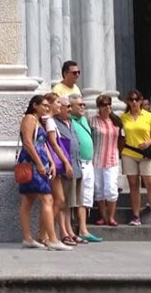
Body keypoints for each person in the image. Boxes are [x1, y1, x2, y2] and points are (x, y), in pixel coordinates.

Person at [17, 95, 72, 251]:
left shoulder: (37, 120)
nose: (47, 108)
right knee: (47, 199)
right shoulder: (29, 118)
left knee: (28, 200)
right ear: (35, 105)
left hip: (38, 161)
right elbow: (28, 142)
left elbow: (42, 144)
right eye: (44, 105)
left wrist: (51, 162)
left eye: (48, 106)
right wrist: (41, 164)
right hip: (32, 162)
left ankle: (28, 238)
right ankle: (52, 239)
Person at [120, 90, 151, 227]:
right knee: (133, 185)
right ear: (128, 102)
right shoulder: (123, 117)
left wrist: (148, 143)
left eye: (136, 99)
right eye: (131, 100)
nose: (134, 102)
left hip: (147, 153)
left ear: (141, 100)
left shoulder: (149, 116)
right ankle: (136, 216)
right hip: (129, 152)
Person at [37, 93, 74, 246]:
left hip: (48, 163)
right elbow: (53, 143)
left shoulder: (45, 121)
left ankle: (44, 233)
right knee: (58, 200)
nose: (60, 105)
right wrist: (65, 161)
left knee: (54, 200)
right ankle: (45, 233)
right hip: (53, 164)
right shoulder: (50, 122)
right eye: (57, 102)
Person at [69, 94, 102, 243]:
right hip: (77, 162)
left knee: (87, 197)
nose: (83, 107)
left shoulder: (83, 119)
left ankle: (83, 228)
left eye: (83, 104)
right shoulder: (68, 120)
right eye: (79, 105)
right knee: (77, 196)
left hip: (89, 163)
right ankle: (75, 228)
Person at [53, 97, 86, 244]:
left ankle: (70, 231)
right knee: (63, 202)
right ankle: (64, 232)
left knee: (72, 202)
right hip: (65, 167)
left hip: (76, 166)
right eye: (66, 106)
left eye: (68, 106)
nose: (69, 109)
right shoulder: (55, 123)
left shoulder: (71, 122)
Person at [90, 94, 122, 226]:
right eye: (104, 105)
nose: (107, 107)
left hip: (112, 158)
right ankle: (103, 216)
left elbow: (122, 138)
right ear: (99, 107)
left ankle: (111, 216)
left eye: (109, 104)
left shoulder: (116, 121)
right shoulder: (92, 121)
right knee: (99, 189)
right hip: (97, 158)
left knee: (111, 188)